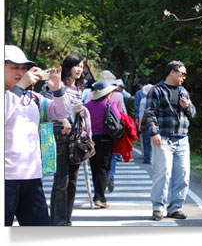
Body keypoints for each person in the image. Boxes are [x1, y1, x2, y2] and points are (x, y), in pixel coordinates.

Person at [4, 45, 71, 226]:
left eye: (24, 68)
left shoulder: (33, 97)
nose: (21, 72)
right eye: (14, 67)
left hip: (32, 177)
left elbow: (62, 112)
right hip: (6, 178)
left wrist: (58, 89)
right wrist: (18, 88)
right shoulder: (13, 95)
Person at [144, 61, 196, 221]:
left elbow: (193, 114)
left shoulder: (184, 92)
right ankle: (158, 207)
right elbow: (150, 112)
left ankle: (176, 207)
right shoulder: (156, 90)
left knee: (183, 174)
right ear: (172, 72)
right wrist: (154, 133)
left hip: (182, 138)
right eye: (182, 73)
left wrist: (187, 106)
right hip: (163, 138)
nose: (184, 77)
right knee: (163, 172)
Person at [50, 54, 92, 226]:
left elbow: (74, 110)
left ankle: (67, 219)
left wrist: (80, 112)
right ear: (68, 67)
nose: (79, 69)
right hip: (61, 137)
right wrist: (64, 119)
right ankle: (57, 222)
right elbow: (47, 108)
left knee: (72, 181)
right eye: (76, 65)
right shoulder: (57, 86)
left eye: (81, 66)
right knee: (61, 180)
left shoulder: (79, 89)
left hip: (76, 138)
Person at [84, 80, 121, 208]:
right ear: (107, 93)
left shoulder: (87, 106)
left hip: (90, 140)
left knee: (95, 168)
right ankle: (100, 198)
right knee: (104, 169)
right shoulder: (110, 104)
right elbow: (118, 118)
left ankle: (98, 196)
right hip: (105, 139)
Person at [136, 80, 153, 164]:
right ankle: (155, 159)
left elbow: (141, 113)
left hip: (145, 123)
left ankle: (147, 158)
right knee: (155, 142)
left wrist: (139, 124)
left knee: (146, 142)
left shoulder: (143, 100)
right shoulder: (157, 100)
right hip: (156, 123)